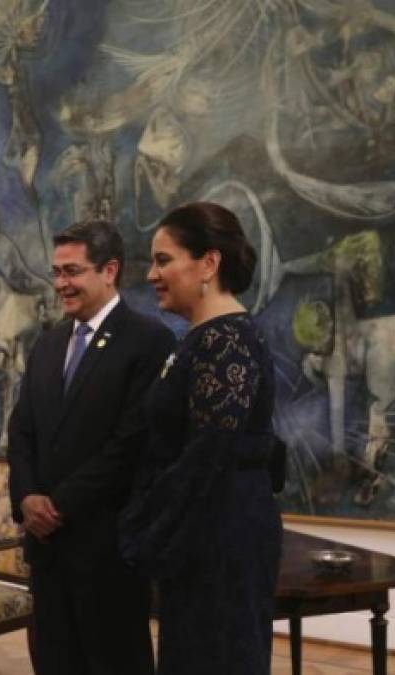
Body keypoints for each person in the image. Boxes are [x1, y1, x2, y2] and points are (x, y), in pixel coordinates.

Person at [120, 202, 283, 674]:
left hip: (221, 536)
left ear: (209, 263)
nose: (152, 274)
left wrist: (142, 529)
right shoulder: (205, 337)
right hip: (207, 530)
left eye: (164, 260)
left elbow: (206, 455)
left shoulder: (225, 340)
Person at [8, 219, 175, 675]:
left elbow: (132, 443)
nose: (61, 283)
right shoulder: (48, 343)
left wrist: (57, 505)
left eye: (73, 271)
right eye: (57, 272)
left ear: (109, 271)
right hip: (48, 551)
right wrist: (26, 499)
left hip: (108, 549)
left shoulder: (149, 341)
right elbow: (21, 431)